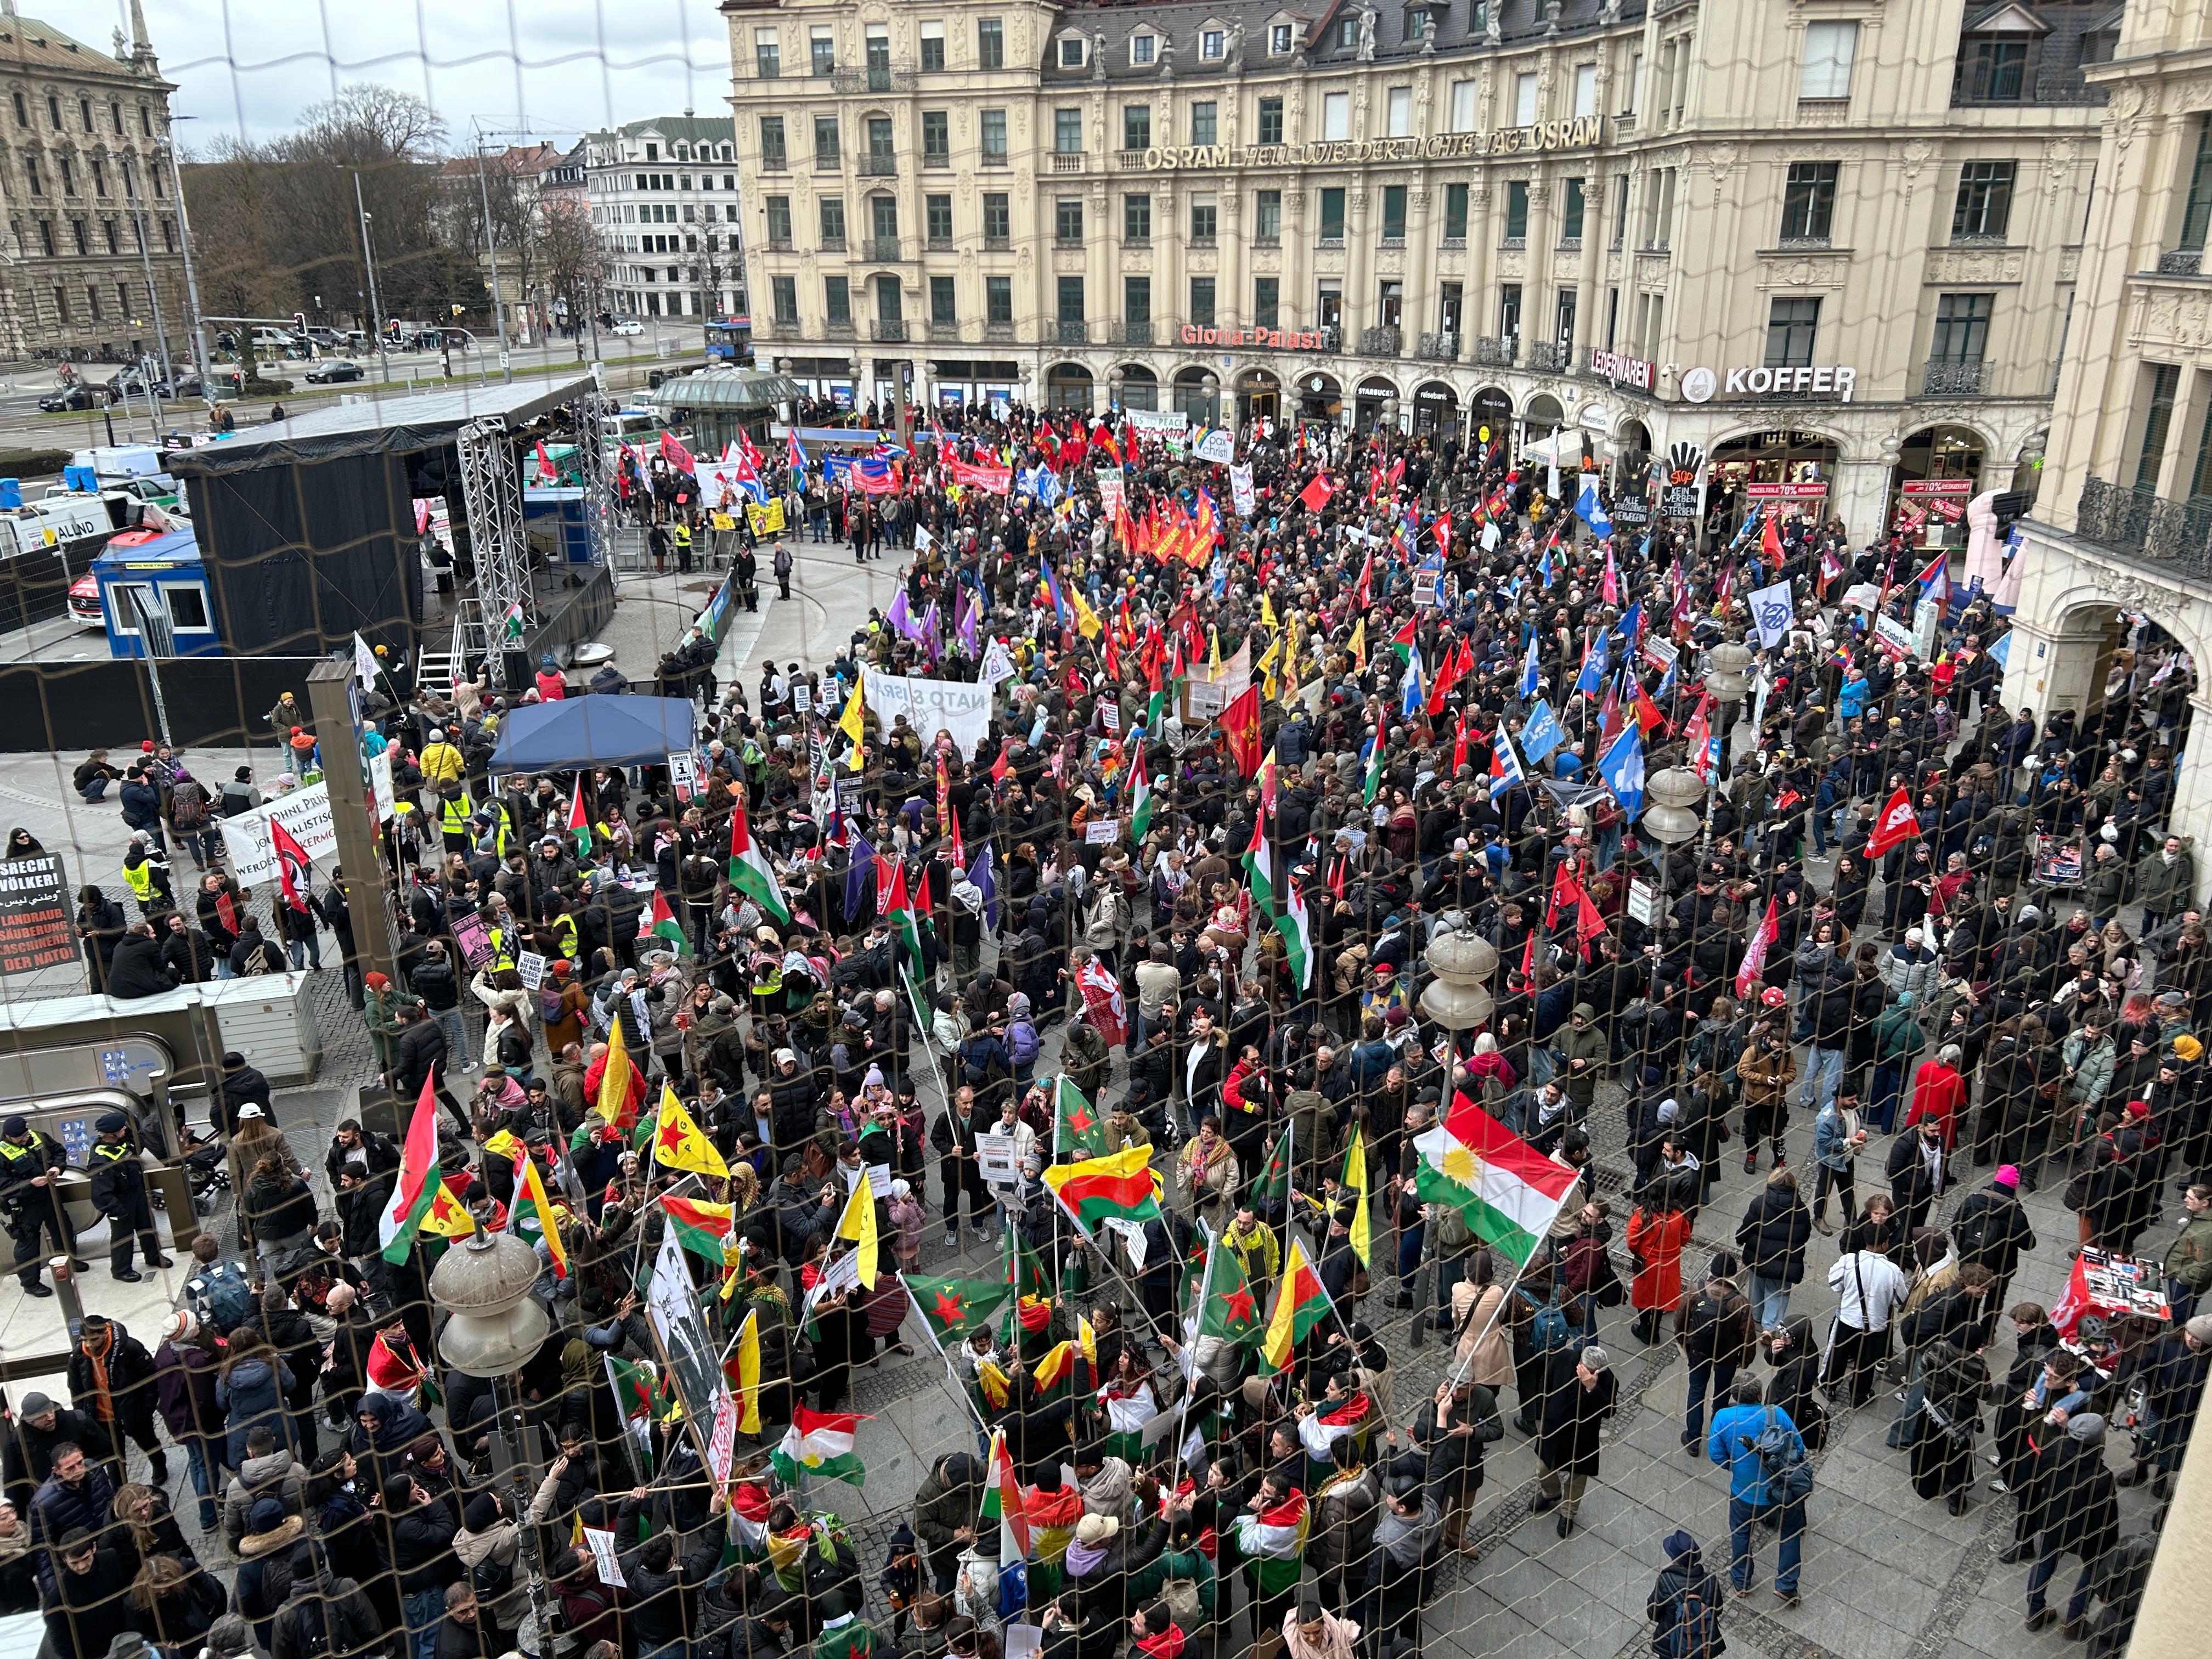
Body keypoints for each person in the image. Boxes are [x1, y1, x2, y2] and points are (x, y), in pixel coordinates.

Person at [1707, 1376, 1808, 1606]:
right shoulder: (1778, 1415)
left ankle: (1742, 1582)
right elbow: (1799, 1446)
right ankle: (1786, 1586)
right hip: (1780, 1492)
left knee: (1741, 1533)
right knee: (1791, 1532)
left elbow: (1715, 1454)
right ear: (1760, 1396)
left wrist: (1735, 1467)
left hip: (1744, 1493)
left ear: (1734, 1396)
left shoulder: (1723, 1418)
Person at [2021, 1414, 2121, 1637]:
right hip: (2084, 1533)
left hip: (2053, 1522)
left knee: (2045, 1561)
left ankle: (2035, 1612)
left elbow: (2037, 1484)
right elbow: (2105, 1517)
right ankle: (2074, 1620)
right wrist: (2108, 1545)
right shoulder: (2101, 1476)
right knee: (2094, 1567)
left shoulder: (2054, 1450)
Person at [1530, 1345, 1616, 1538]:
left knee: (1578, 1478)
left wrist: (1592, 1388)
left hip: (1583, 1437)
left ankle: (1568, 1513)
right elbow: (1546, 1384)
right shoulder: (1563, 1359)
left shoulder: (1608, 1380)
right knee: (1543, 1468)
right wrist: (1547, 1410)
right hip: (1555, 1430)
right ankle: (1551, 1493)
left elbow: (1609, 1411)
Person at [1678, 1252, 1757, 1454]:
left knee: (1696, 1391)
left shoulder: (1697, 1289)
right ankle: (1717, 1437)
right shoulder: (1740, 1302)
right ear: (1733, 1274)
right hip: (1726, 1356)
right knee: (1721, 1396)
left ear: (1712, 1270)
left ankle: (1693, 1440)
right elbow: (1747, 1335)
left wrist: (1684, 1343)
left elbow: (1681, 1319)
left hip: (1698, 1351)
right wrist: (1745, 1360)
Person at [0, 1114, 83, 1296]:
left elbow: (59, 1151)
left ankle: (70, 1261)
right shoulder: (2, 1153)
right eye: (20, 1138)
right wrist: (30, 1184)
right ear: (8, 1137)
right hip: (26, 1204)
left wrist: (57, 1167)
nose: (25, 1139)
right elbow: (3, 1185)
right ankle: (30, 1283)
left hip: (50, 1195)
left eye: (26, 1134)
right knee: (28, 1242)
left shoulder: (38, 1136)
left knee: (63, 1230)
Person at [86, 1111, 169, 1281]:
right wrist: (117, 1211)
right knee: (123, 1237)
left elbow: (137, 1143)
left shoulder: (123, 1143)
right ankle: (121, 1269)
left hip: (136, 1193)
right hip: (120, 1202)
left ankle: (153, 1256)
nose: (125, 1129)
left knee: (147, 1228)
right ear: (111, 1134)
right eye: (121, 1128)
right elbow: (100, 1193)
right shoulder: (101, 1159)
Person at [1646, 1530, 1726, 1659]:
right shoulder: (1710, 1581)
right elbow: (1718, 1610)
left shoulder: (1665, 1581)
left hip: (1670, 1646)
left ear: (1674, 1559)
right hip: (1702, 1644)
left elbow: (1653, 1613)